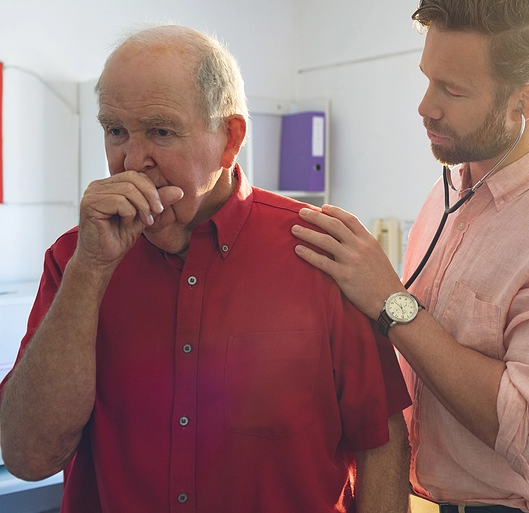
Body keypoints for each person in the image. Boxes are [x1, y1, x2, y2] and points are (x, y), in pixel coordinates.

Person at [0, 25, 412, 513]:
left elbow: (380, 442)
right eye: (115, 131)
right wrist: (90, 270)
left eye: (161, 131)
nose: (132, 160)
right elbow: (27, 457)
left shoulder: (322, 252)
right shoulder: (74, 259)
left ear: (229, 139)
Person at [291, 0, 529, 513]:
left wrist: (391, 302)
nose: (425, 106)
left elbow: (528, 434)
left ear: (525, 102)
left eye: (452, 90)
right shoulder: (451, 188)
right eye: (428, 79)